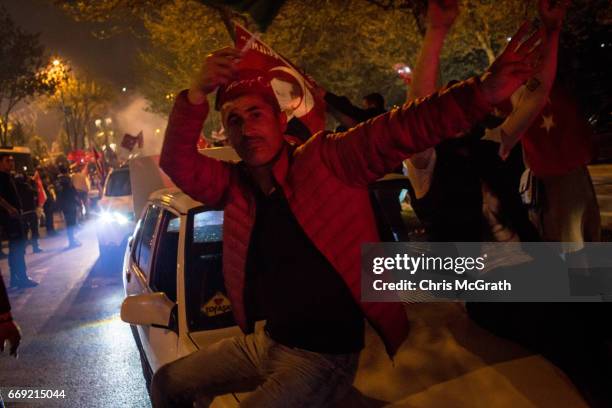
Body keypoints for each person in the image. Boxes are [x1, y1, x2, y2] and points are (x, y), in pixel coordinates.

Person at [151, 19, 543, 407]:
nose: (247, 129)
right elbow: (177, 161)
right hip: (267, 341)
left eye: (256, 114)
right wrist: (197, 93)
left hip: (325, 356)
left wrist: (483, 92)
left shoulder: (328, 159)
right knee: (167, 382)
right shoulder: (233, 186)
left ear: (280, 120)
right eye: (234, 120)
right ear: (226, 133)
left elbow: (404, 127)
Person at [0, 155, 37, 288]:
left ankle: (16, 278)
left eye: (12, 160)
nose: (11, 163)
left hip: (15, 217)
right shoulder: (1, 177)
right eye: (7, 161)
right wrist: (10, 209)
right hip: (10, 218)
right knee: (17, 247)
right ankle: (21, 278)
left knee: (17, 247)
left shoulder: (9, 176)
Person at [15, 173, 42, 253]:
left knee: (24, 232)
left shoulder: (15, 189)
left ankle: (23, 249)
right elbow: (35, 193)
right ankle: (35, 247)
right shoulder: (27, 186)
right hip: (30, 211)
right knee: (34, 230)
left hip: (22, 212)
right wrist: (33, 183)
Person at [56, 165, 81, 248]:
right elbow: (73, 191)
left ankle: (71, 240)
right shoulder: (68, 180)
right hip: (70, 204)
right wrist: (78, 201)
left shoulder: (58, 181)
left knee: (68, 222)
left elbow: (58, 194)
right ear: (66, 171)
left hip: (64, 205)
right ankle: (72, 241)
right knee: (72, 223)